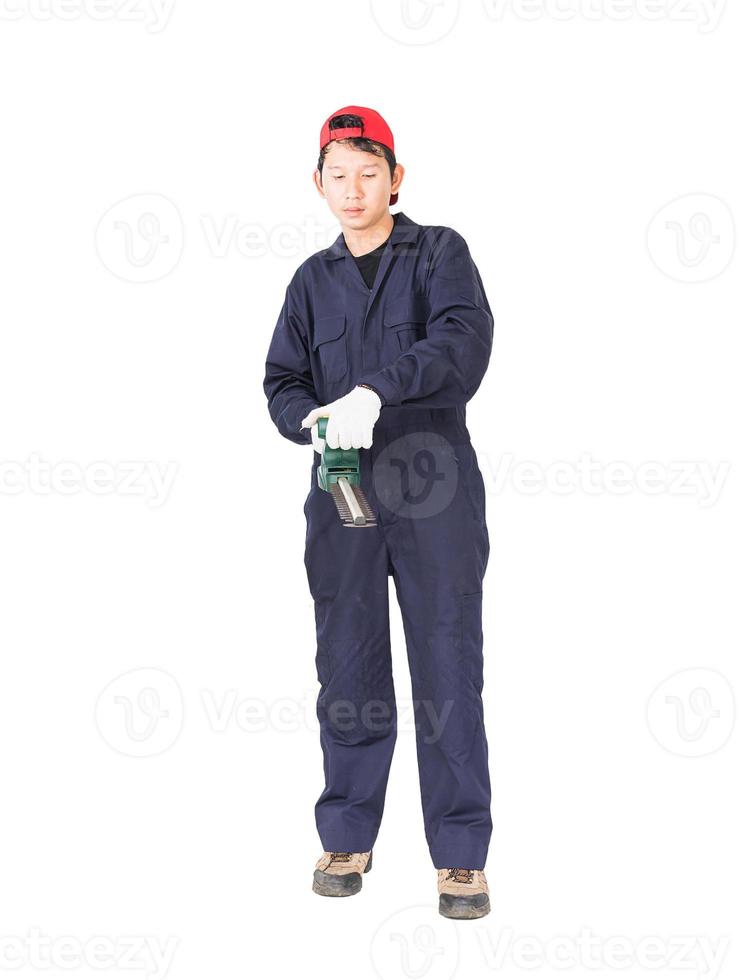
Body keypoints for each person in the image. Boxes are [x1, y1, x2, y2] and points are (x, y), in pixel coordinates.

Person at [263, 105, 494, 919]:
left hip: (432, 488)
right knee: (349, 663)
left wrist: (375, 391)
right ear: (318, 183)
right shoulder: (309, 281)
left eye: (370, 173)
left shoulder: (439, 253)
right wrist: (309, 419)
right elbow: (282, 379)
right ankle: (348, 832)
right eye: (338, 174)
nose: (353, 189)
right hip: (342, 491)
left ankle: (461, 856)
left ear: (397, 178)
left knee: (445, 665)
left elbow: (464, 345)